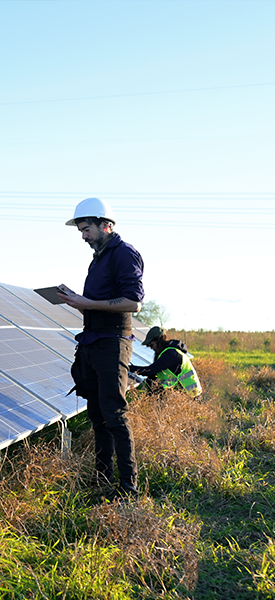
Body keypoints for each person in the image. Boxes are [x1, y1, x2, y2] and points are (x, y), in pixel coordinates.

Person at [57, 197, 144, 499]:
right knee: (97, 414)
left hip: (113, 343)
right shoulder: (98, 258)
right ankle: (101, 478)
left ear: (105, 225)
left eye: (86, 229)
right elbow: (98, 302)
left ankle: (128, 487)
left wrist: (86, 302)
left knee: (115, 413)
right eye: (81, 230)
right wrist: (74, 299)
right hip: (92, 342)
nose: (83, 236)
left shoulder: (123, 254)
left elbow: (133, 302)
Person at [130, 326, 202, 397]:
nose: (151, 348)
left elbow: (151, 370)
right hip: (187, 394)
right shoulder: (168, 351)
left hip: (190, 395)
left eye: (152, 344)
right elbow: (154, 373)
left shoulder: (170, 354)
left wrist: (130, 368)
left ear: (159, 341)